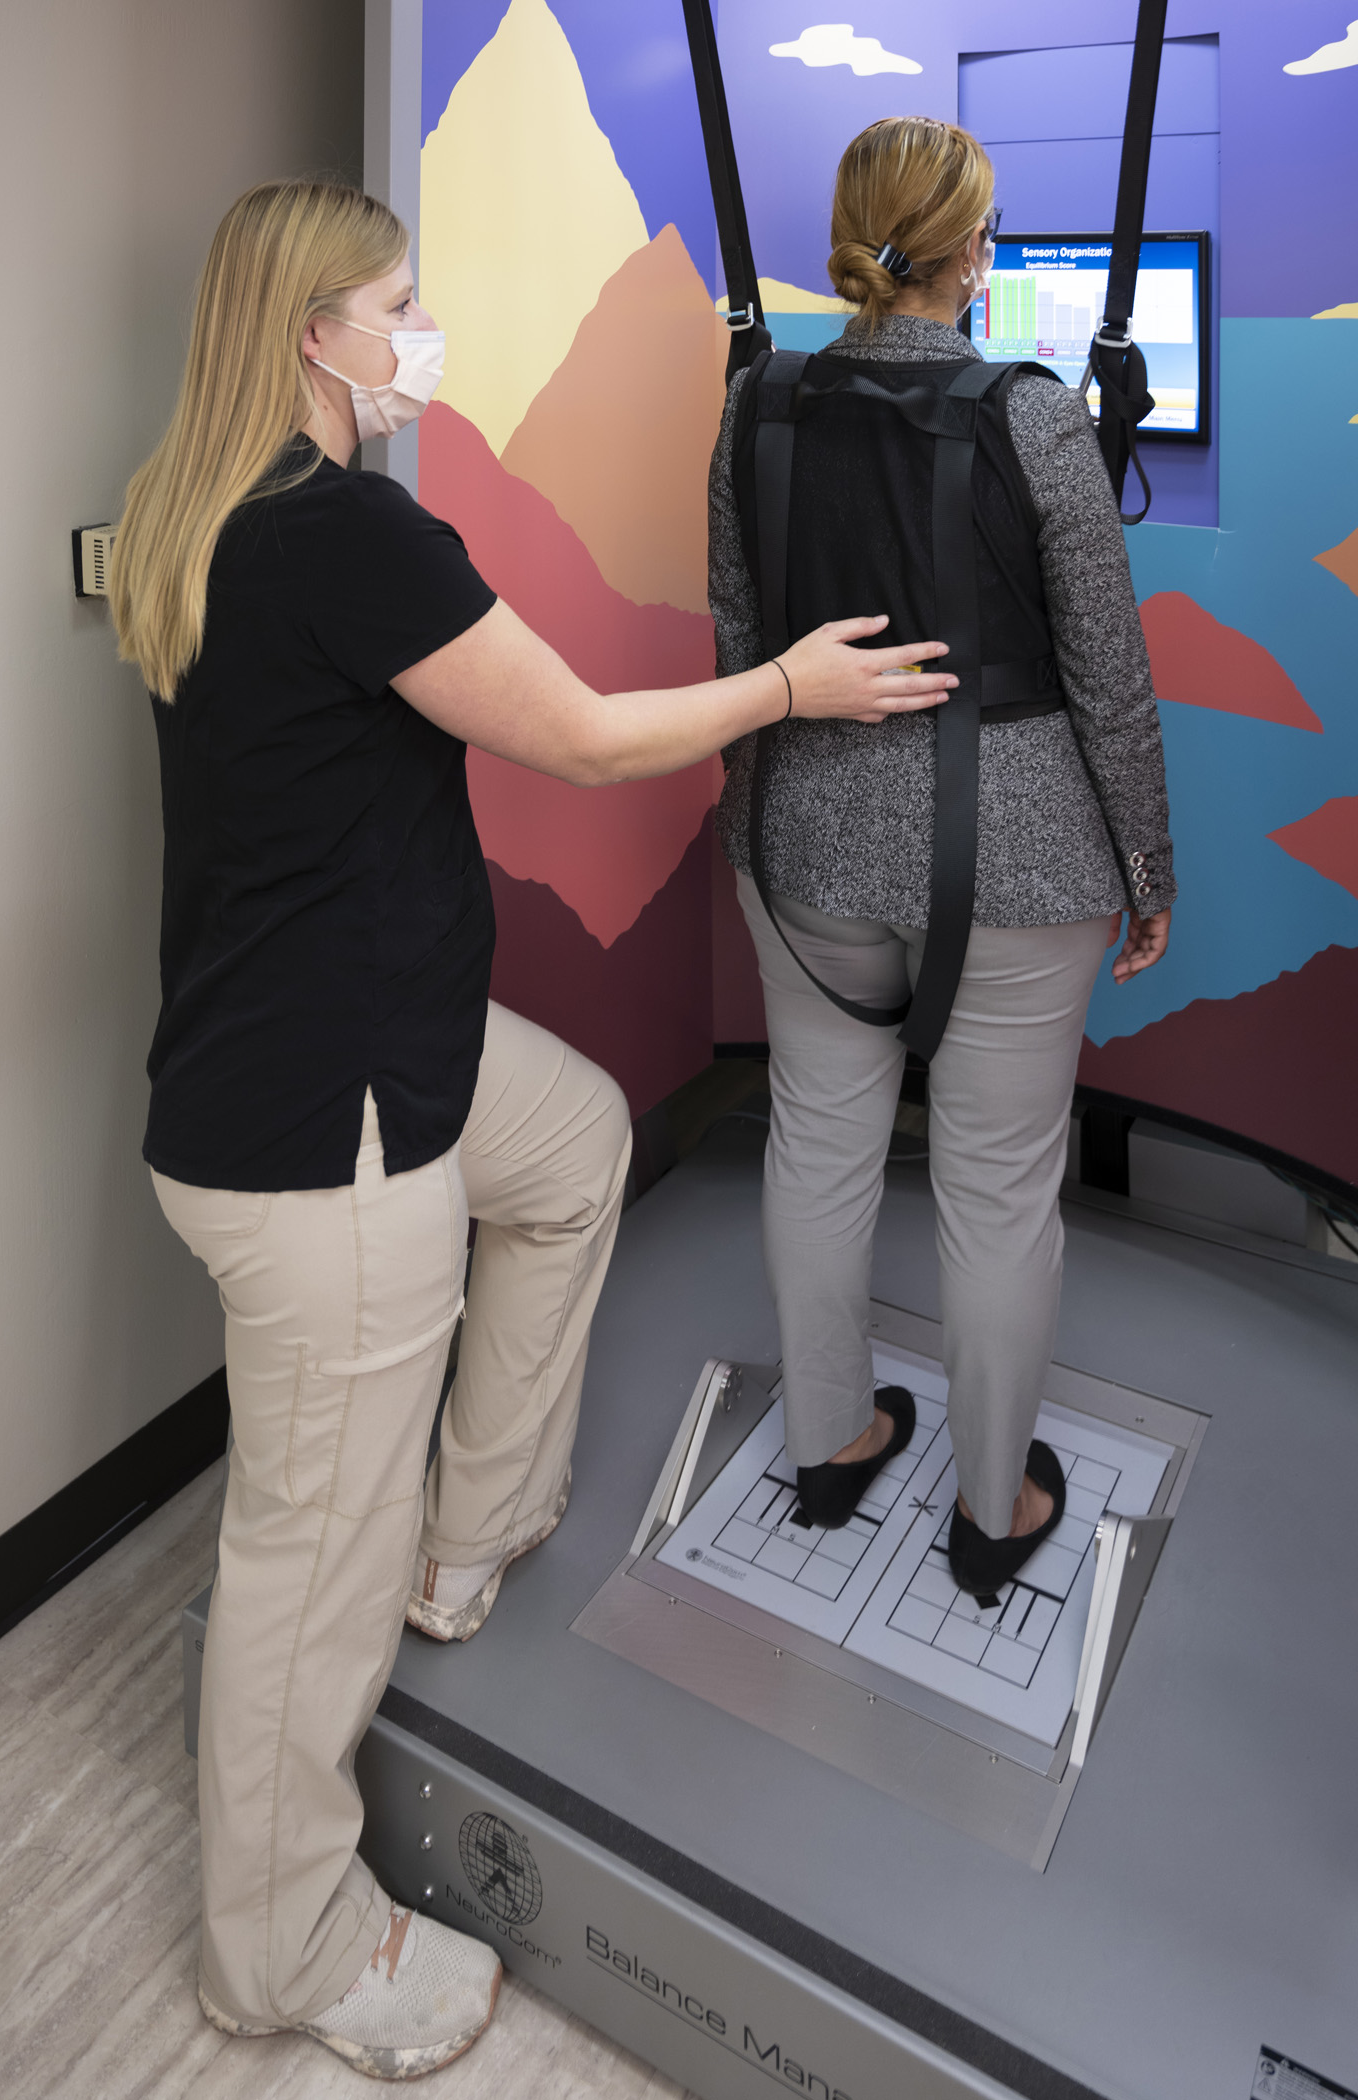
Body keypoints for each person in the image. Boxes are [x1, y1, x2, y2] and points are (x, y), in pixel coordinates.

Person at [109, 179, 956, 2081]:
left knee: (570, 1149)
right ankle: (282, 1950)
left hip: (322, 1044)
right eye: (396, 305)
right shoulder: (346, 535)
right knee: (302, 1567)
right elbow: (576, 732)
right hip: (322, 1134)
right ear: (314, 333)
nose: (419, 334)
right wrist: (795, 687)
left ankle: (463, 1537)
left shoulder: (201, 510)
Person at [708, 118, 1174, 1595]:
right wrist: (1148, 868)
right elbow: (1109, 674)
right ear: (974, 252)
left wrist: (760, 816)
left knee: (816, 1141)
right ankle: (991, 1509)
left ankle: (830, 1442)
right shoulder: (1034, 415)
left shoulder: (757, 403)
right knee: (998, 1189)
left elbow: (742, 642)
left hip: (802, 841)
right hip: (1019, 859)